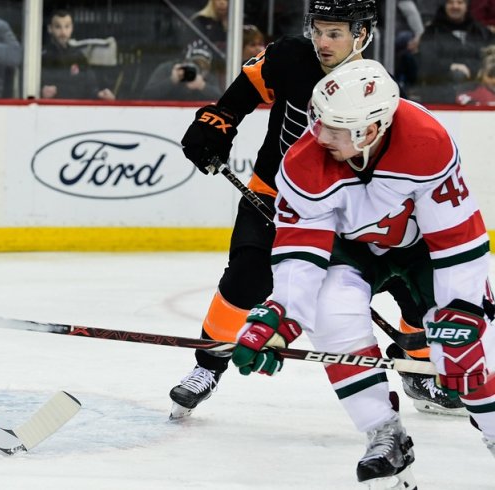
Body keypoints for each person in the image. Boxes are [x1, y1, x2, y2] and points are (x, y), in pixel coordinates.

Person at [171, 0, 464, 420]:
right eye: (318, 31)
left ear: (362, 35)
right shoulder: (289, 57)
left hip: (344, 209)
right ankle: (207, 366)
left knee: (409, 281)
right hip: (272, 194)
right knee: (245, 278)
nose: (322, 43)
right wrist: (214, 125)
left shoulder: (371, 84)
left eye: (335, 34)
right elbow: (239, 94)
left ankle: (417, 367)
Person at [230, 59, 495, 487]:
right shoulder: (303, 162)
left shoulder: (425, 139)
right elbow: (300, 251)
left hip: (424, 248)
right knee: (331, 313)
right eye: (320, 122)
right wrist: (283, 315)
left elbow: (456, 236)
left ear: (369, 130)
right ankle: (383, 433)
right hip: (352, 251)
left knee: (471, 352)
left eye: (333, 128)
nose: (318, 135)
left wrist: (464, 308)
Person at [417, 0, 491, 103]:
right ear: (444, 6)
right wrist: (449, 67)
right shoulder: (432, 32)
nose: (455, 6)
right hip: (439, 93)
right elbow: (426, 60)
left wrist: (471, 69)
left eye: (460, 2)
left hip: (477, 90)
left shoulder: (480, 32)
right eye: (450, 3)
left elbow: (488, 59)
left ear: (466, 6)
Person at [40, 10, 114, 101]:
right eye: (58, 27)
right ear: (50, 29)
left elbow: (91, 87)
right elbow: (29, 90)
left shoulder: (79, 56)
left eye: (67, 27)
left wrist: (100, 94)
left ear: (72, 28)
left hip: (79, 111)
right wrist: (40, 92)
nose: (63, 32)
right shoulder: (41, 57)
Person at [141, 41, 221, 101]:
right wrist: (172, 80)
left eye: (203, 66)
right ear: (184, 62)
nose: (198, 69)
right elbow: (147, 95)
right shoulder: (168, 69)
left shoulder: (207, 77)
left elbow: (222, 101)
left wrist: (203, 86)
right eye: (194, 64)